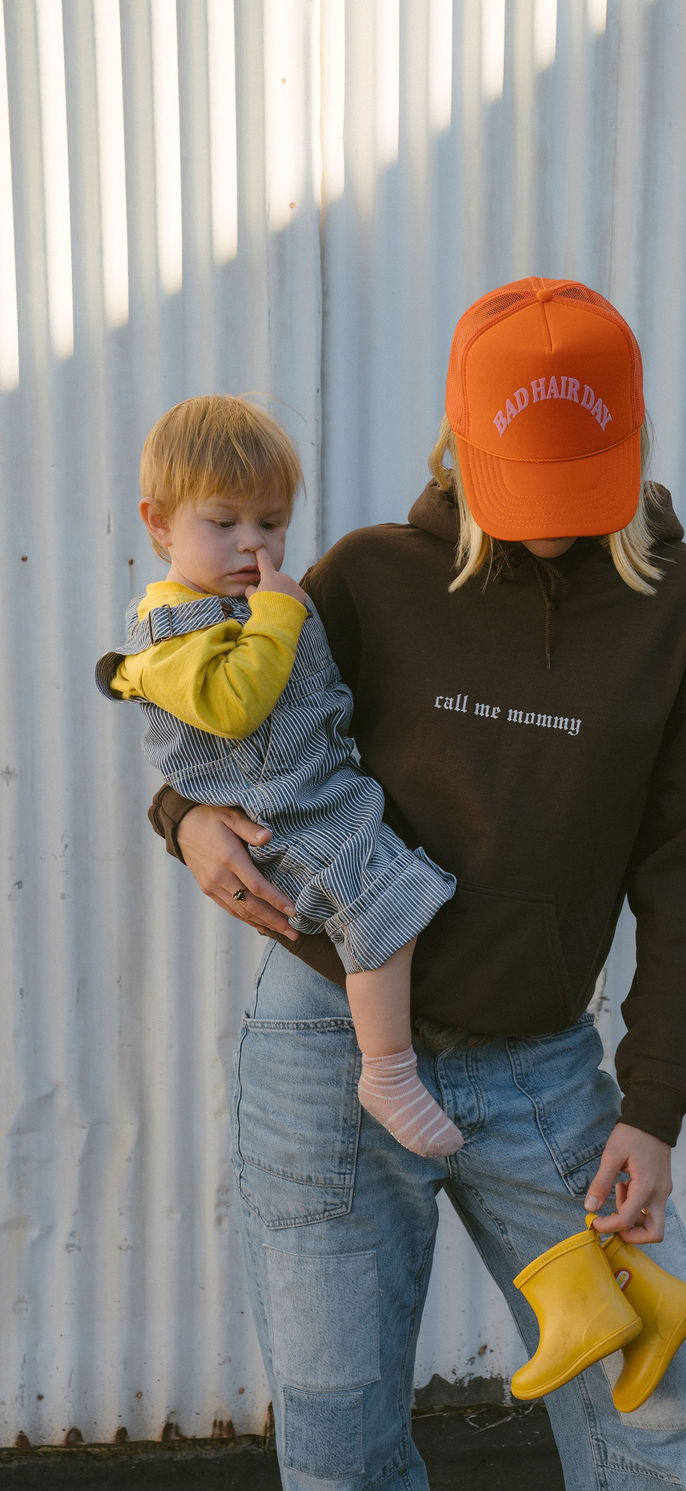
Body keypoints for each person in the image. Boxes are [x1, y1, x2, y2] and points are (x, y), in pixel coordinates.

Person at [146, 279, 686, 1491]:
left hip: (543, 1072)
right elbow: (237, 724)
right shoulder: (372, 576)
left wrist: (654, 1102)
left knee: (670, 1403)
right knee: (339, 1428)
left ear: (629, 444)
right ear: (459, 446)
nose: (544, 531)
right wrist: (183, 823)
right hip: (327, 1047)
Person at [97, 396, 463, 1158]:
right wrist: (277, 615)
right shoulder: (171, 631)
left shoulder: (244, 603)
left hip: (318, 790)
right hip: (278, 812)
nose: (251, 546)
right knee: (376, 894)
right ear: (158, 523)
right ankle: (387, 1072)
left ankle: (390, 1061)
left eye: (270, 523)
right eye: (222, 523)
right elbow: (234, 706)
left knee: (394, 886)